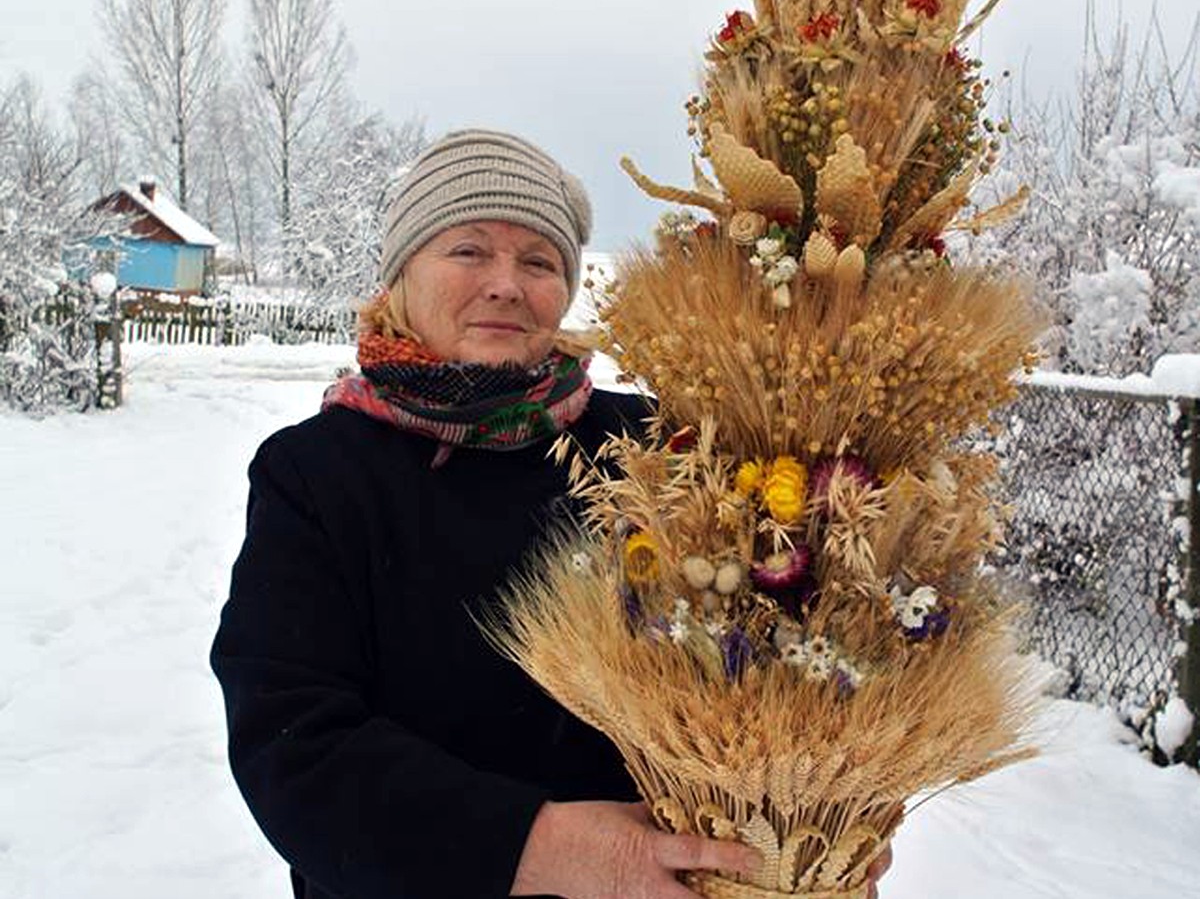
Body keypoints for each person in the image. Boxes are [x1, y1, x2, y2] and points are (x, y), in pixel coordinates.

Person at [211, 128, 891, 899]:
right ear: (402, 273)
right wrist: (547, 849)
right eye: (468, 250)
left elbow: (786, 637)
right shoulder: (319, 473)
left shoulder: (656, 441)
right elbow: (294, 750)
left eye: (538, 260)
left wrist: (819, 828)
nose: (506, 283)